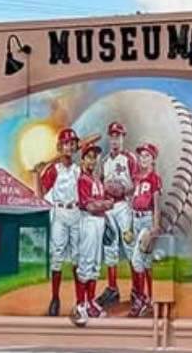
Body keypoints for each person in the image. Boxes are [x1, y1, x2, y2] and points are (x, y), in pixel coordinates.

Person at [37, 128, 82, 317]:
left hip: (76, 212)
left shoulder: (79, 170)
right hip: (59, 213)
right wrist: (37, 175)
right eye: (66, 143)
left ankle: (81, 301)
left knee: (78, 258)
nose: (69, 147)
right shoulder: (53, 170)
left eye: (72, 143)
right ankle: (55, 298)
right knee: (57, 257)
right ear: (60, 146)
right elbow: (40, 195)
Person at [96, 121, 138, 309]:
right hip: (110, 207)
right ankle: (113, 289)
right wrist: (107, 192)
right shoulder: (104, 161)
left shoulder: (129, 158)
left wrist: (123, 189)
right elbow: (100, 184)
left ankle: (137, 291)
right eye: (112, 136)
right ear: (109, 138)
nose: (115, 139)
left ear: (123, 138)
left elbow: (137, 182)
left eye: (118, 136)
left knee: (130, 246)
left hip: (124, 206)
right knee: (110, 248)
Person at [73, 145, 112, 325]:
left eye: (95, 157)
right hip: (88, 222)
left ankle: (90, 303)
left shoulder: (96, 180)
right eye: (89, 157)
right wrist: (106, 204)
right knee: (86, 264)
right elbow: (90, 206)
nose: (93, 160)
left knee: (96, 265)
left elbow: (100, 204)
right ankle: (80, 304)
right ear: (82, 160)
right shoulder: (82, 180)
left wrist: (103, 205)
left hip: (99, 222)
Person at [128, 142, 162, 317]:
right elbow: (132, 199)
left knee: (137, 261)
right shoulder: (136, 177)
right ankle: (151, 298)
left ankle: (140, 299)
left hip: (147, 219)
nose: (143, 158)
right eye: (141, 155)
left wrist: (155, 226)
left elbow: (156, 204)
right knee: (146, 261)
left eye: (147, 155)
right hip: (135, 218)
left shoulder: (154, 178)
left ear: (153, 159)